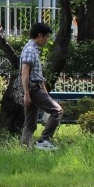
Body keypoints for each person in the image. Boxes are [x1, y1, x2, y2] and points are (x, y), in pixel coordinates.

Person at [19, 22, 62, 150]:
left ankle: (24, 150)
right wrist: (27, 93)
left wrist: (44, 92)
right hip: (32, 89)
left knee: (30, 124)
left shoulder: (33, 49)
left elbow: (37, 74)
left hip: (35, 88)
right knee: (57, 111)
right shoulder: (30, 50)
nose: (47, 40)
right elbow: (25, 73)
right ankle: (44, 140)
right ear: (39, 35)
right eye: (46, 37)